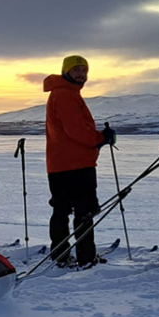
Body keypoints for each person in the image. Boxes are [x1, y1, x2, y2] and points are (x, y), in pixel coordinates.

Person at [44, 55, 112, 267]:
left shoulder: (64, 93)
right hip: (76, 164)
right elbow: (76, 130)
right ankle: (86, 257)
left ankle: (60, 255)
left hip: (60, 164)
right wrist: (100, 138)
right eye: (76, 70)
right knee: (83, 211)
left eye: (84, 70)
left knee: (61, 210)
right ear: (66, 71)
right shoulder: (65, 95)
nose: (81, 74)